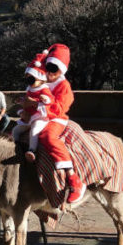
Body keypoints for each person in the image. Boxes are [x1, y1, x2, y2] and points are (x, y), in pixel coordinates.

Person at [41, 43, 86, 205]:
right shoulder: (41, 81)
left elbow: (60, 108)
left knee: (48, 137)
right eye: (48, 67)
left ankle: (73, 178)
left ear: (61, 70)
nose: (49, 72)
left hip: (55, 119)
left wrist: (44, 101)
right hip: (38, 117)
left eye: (54, 69)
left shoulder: (64, 86)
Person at [11, 53, 55, 162]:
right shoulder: (30, 89)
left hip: (40, 116)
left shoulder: (44, 89)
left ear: (40, 79)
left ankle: (32, 150)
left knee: (34, 130)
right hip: (28, 116)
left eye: (32, 79)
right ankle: (15, 146)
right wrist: (21, 101)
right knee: (16, 130)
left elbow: (50, 100)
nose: (29, 82)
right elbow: (27, 100)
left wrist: (45, 99)